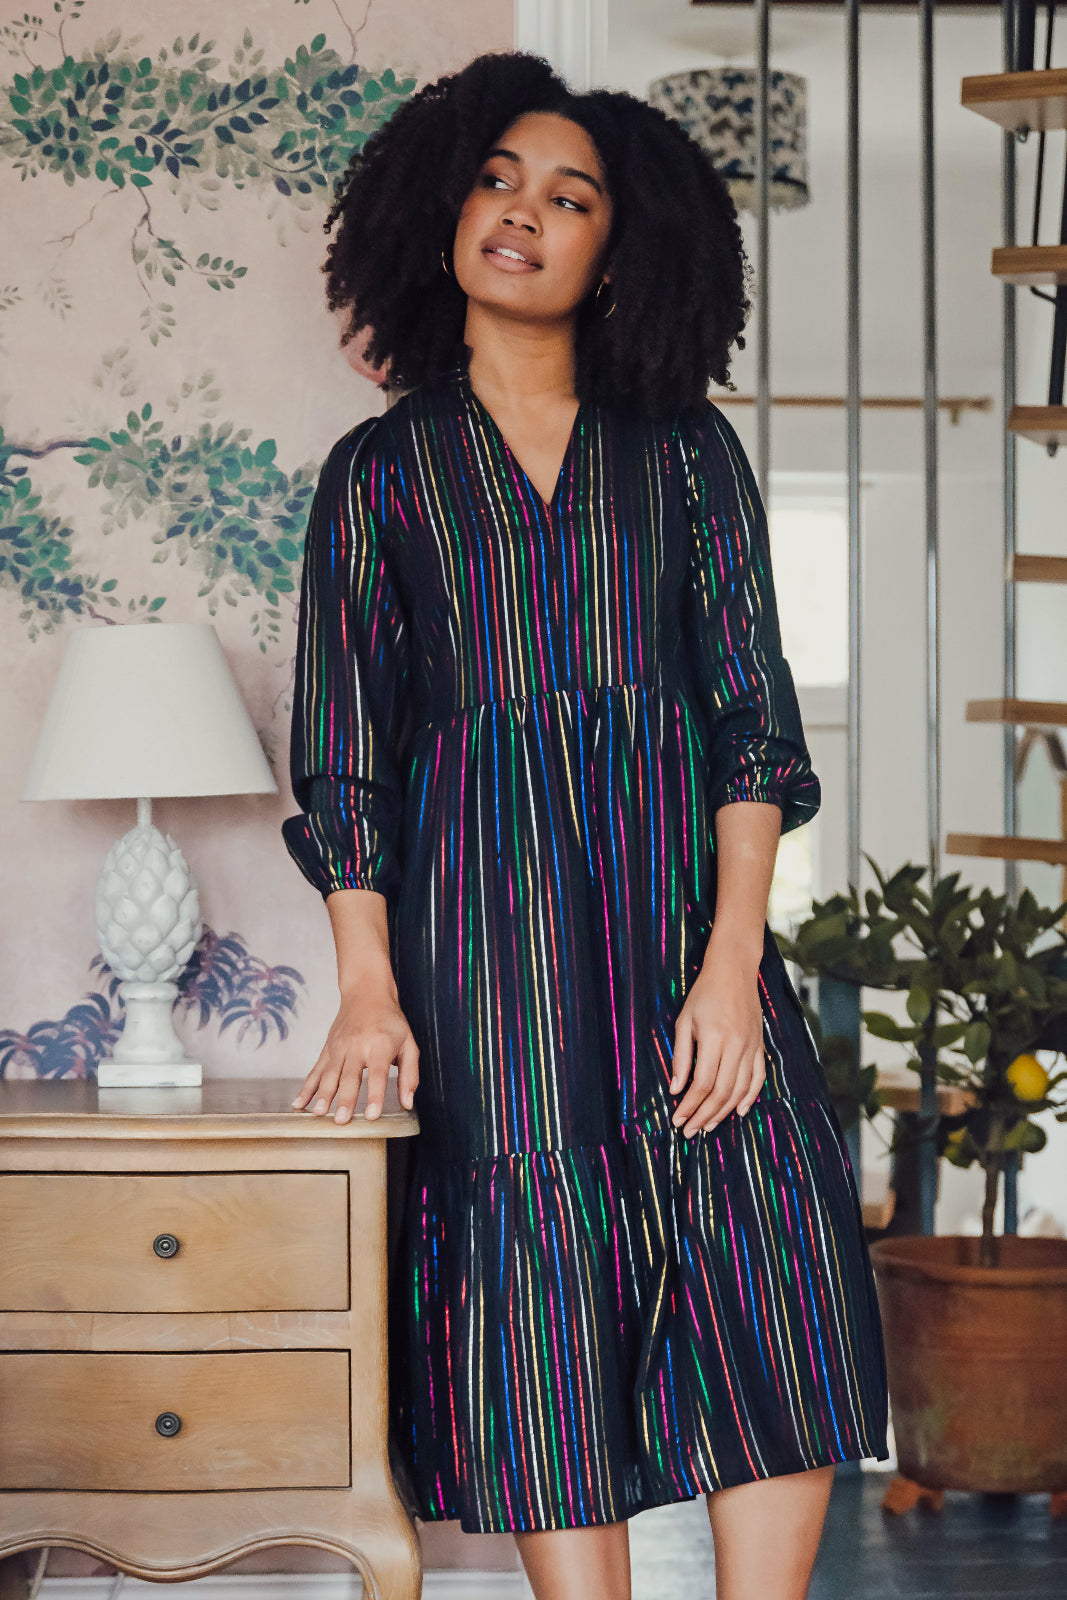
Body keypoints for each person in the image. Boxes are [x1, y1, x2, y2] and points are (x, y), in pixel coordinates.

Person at [281, 48, 890, 1600]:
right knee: (537, 1308)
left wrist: (734, 964)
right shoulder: (380, 480)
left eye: (571, 197)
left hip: (692, 945)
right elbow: (345, 766)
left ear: (621, 251)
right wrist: (369, 985)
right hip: (490, 963)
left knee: (774, 1283)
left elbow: (756, 721)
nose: (525, 214)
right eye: (497, 181)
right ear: (437, 221)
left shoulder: (686, 456)